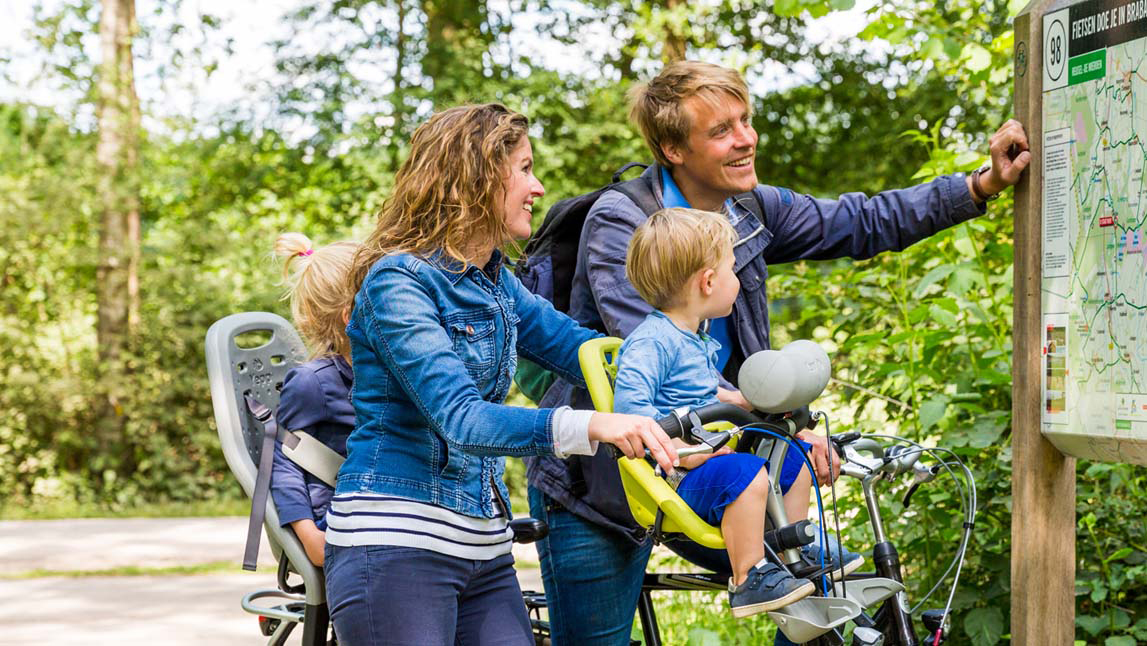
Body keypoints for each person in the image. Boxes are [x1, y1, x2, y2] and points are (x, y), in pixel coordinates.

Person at [524, 60, 1031, 645]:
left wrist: (979, 185)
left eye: (746, 120)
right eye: (721, 130)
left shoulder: (747, 209)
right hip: (605, 484)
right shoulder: (624, 221)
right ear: (672, 148)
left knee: (824, 601)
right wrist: (780, 420)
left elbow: (859, 221)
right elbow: (655, 354)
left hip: (719, 459)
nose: (746, 139)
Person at [322, 103, 680, 646]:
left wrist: (719, 391)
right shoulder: (398, 283)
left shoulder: (496, 284)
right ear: (477, 176)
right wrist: (593, 426)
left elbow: (593, 352)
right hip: (395, 546)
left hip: (483, 550)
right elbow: (462, 420)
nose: (538, 188)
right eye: (525, 169)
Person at [614, 206, 866, 617]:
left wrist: (743, 401)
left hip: (713, 464)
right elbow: (631, 413)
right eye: (733, 269)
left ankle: (792, 546)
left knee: (792, 458)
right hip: (680, 478)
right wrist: (686, 451)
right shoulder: (651, 342)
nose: (739, 278)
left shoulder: (691, 337)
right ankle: (750, 578)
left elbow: (702, 392)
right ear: (709, 282)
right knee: (747, 472)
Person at [268, 232, 358, 567]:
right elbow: (283, 460)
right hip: (340, 525)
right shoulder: (314, 383)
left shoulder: (393, 372)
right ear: (350, 314)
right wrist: (309, 537)